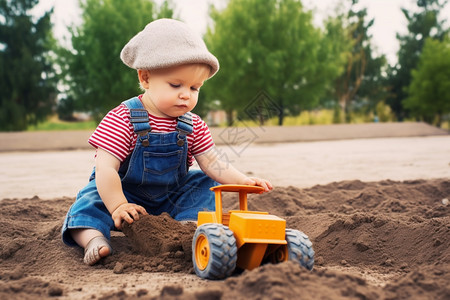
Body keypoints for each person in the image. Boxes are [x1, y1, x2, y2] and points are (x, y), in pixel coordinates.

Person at [61, 18, 272, 266]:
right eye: (176, 84)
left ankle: (185, 227)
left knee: (204, 182)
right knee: (90, 201)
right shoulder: (124, 117)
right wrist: (118, 204)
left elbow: (213, 162)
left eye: (195, 88)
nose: (186, 94)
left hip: (171, 195)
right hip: (124, 192)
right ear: (146, 78)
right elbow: (106, 168)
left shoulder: (193, 124)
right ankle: (94, 239)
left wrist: (242, 180)